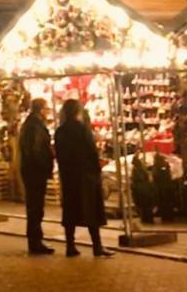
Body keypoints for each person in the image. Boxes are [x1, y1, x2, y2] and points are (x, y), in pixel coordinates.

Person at [55, 99, 113, 258]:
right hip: (86, 176)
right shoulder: (82, 130)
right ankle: (97, 246)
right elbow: (91, 151)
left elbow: (59, 155)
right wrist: (97, 165)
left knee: (70, 212)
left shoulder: (60, 131)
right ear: (78, 111)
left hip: (69, 177)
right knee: (92, 211)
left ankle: (70, 246)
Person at [18, 97, 55, 255]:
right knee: (35, 208)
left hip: (31, 171)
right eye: (46, 108)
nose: (47, 112)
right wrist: (45, 163)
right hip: (35, 172)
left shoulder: (31, 124)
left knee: (34, 207)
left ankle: (35, 240)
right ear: (41, 109)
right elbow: (35, 150)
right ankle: (35, 242)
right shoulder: (35, 126)